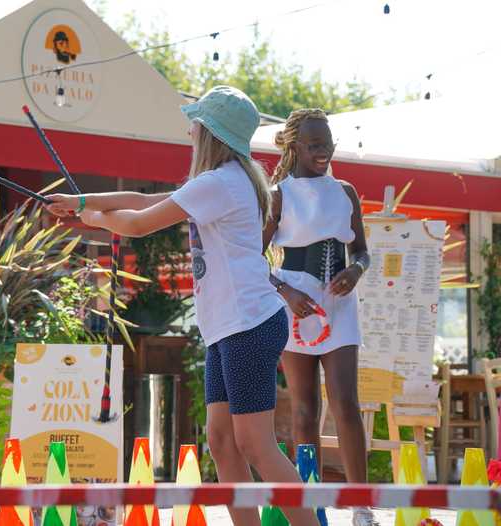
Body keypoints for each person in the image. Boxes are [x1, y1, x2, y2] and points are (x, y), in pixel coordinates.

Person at [47, 86, 318, 526]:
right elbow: (143, 202)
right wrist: (82, 203)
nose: (189, 132)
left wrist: (92, 218)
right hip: (232, 326)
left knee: (255, 444)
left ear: (210, 132)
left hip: (247, 324)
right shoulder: (224, 180)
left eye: (195, 124)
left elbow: (138, 223)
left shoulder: (220, 182)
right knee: (222, 442)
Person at [262, 109, 375, 526]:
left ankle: (361, 506)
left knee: (346, 402)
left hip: (339, 304)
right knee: (305, 410)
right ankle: (311, 506)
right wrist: (286, 292)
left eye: (328, 144)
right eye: (314, 145)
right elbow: (252, 258)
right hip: (297, 305)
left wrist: (356, 270)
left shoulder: (346, 191)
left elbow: (361, 251)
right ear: (295, 146)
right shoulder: (279, 194)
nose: (323, 152)